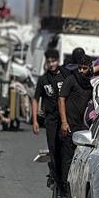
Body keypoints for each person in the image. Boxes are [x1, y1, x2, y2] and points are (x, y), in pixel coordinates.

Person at [57, 49, 94, 192]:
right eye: (79, 68)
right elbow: (61, 99)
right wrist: (64, 122)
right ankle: (66, 189)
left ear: (89, 67)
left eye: (84, 68)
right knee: (68, 157)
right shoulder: (71, 80)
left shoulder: (92, 83)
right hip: (70, 126)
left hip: (84, 128)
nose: (81, 71)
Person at [31, 49, 68, 186]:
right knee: (53, 147)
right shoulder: (43, 79)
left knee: (64, 147)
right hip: (51, 119)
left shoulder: (66, 76)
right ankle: (55, 174)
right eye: (49, 62)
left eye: (54, 61)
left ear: (58, 61)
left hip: (65, 118)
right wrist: (35, 120)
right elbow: (35, 99)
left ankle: (63, 177)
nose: (51, 64)